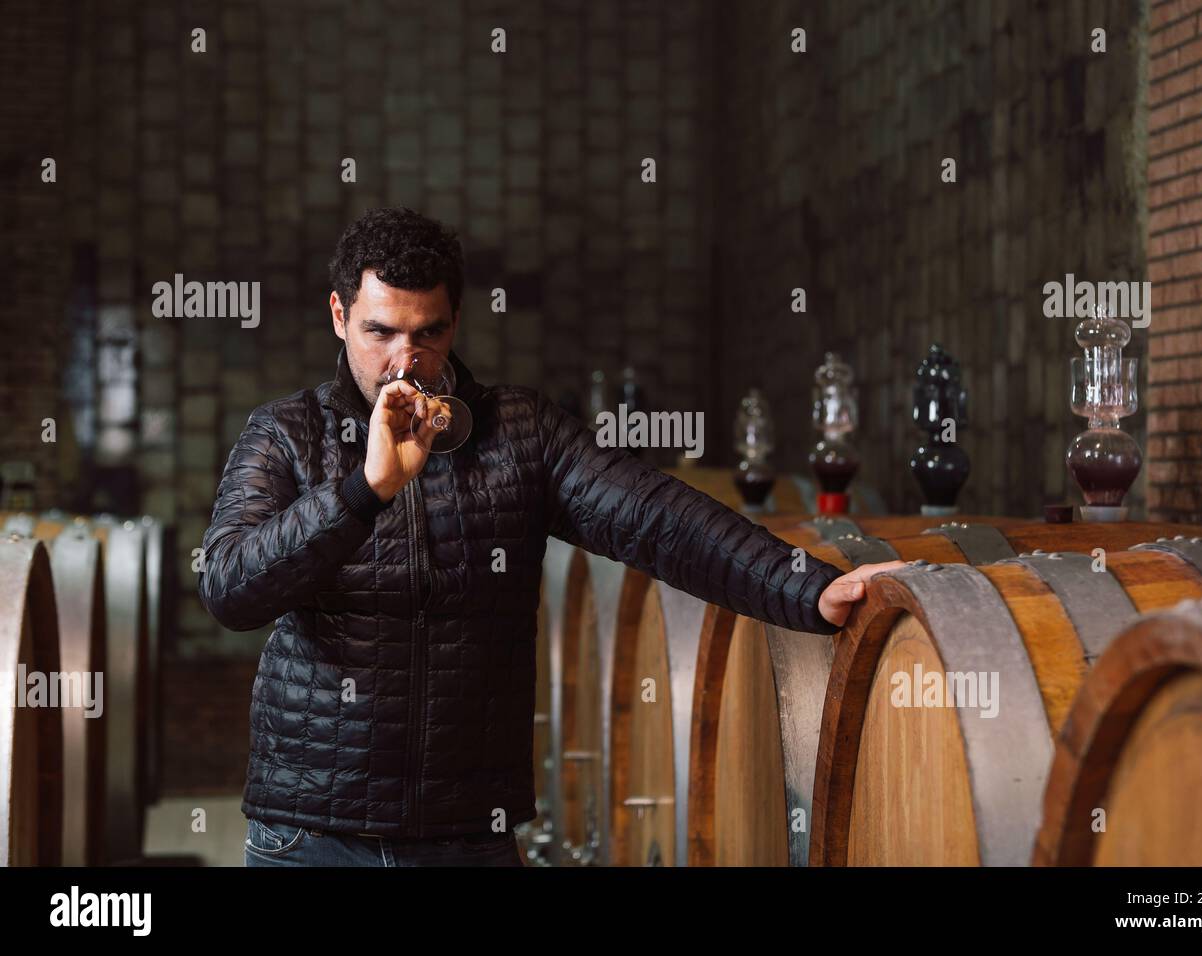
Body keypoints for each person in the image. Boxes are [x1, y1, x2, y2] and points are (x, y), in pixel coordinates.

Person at [198, 207, 902, 867]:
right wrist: (365, 490)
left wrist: (800, 585)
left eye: (429, 334)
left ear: (456, 322)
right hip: (314, 834)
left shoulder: (520, 432)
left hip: (468, 832)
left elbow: (655, 519)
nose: (405, 361)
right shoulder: (287, 434)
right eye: (379, 332)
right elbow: (231, 588)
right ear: (339, 316)